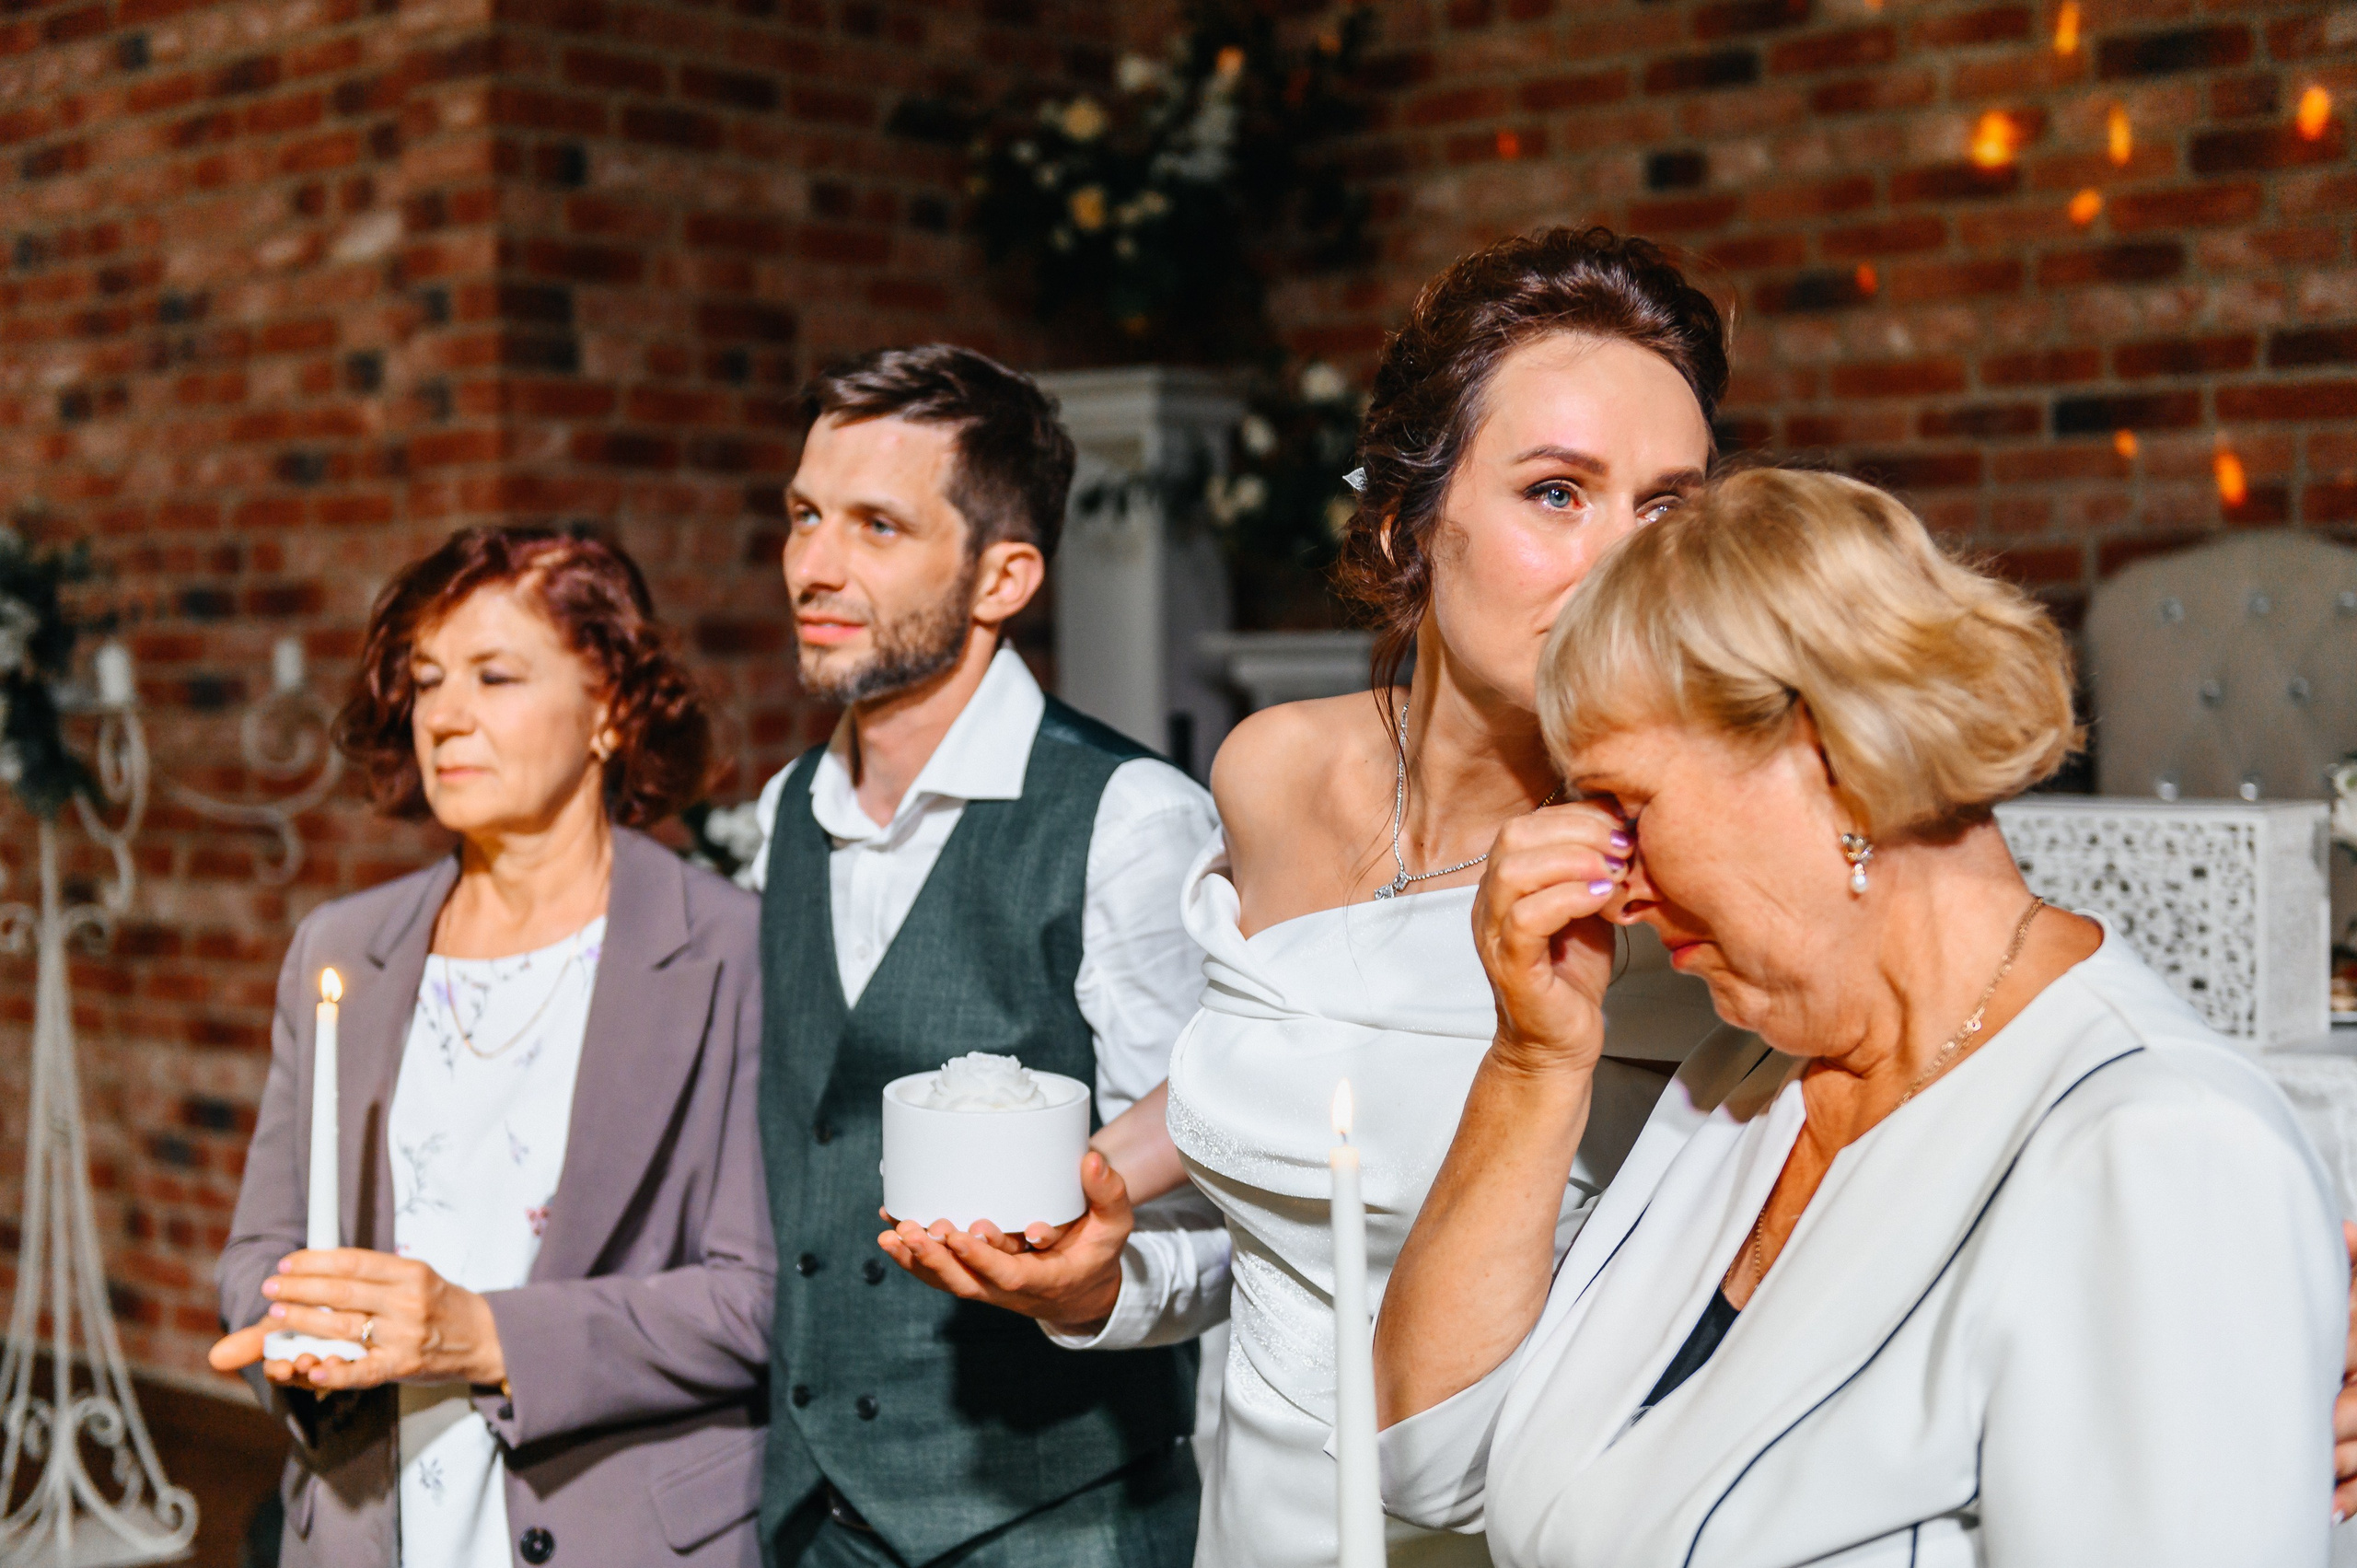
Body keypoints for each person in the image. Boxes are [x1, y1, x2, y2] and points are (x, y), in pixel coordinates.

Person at [881, 228, 1733, 1567]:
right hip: (1255, 1519)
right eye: (1560, 492)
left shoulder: (1681, 883)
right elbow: (1286, 1117)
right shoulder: (1275, 770)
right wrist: (1095, 1242)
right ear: (1409, 521)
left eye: (1667, 508)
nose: (1626, 561)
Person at [1374, 468, 2345, 1565]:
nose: (1614, 884)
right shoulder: (1743, 1074)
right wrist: (1534, 1059)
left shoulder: (2162, 1153)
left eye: (1626, 808)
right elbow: (1426, 1463)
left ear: (1826, 758)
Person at [213, 528, 773, 1567]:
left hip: (625, 1529)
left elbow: (754, 1299)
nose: (445, 716)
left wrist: (483, 1333)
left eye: (495, 675)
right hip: (366, 1520)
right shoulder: (342, 947)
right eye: (425, 682)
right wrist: (294, 1336)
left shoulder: (731, 949)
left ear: (612, 703)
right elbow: (258, 1256)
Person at [748, 344, 1222, 1567]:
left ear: (1002, 573)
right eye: (804, 514)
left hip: (1053, 1524)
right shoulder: (781, 811)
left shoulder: (1128, 817)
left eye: (876, 525)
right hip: (809, 1517)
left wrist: (1091, 1292)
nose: (814, 564)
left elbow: (1223, 1194)